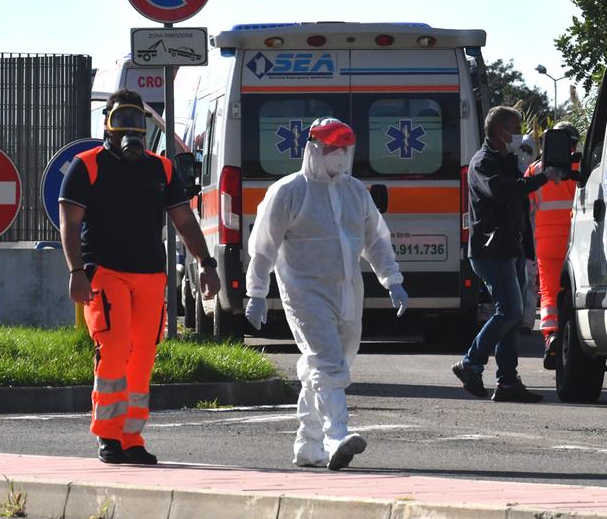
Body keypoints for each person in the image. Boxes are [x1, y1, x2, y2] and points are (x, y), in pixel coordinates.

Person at [59, 89, 221, 465]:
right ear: (107, 125)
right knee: (115, 349)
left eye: (136, 121)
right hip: (104, 272)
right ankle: (108, 435)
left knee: (143, 355)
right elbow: (70, 223)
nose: (130, 129)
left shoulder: (161, 168)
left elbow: (184, 220)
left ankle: (131, 437)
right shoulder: (87, 166)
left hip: (150, 275)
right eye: (122, 120)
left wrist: (207, 263)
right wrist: (76, 272)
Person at [244, 117, 408, 470]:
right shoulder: (289, 191)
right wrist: (256, 291)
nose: (340, 155)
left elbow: (376, 240)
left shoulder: (356, 192)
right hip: (304, 291)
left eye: (345, 148)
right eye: (333, 148)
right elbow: (264, 245)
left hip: (348, 290)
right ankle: (337, 436)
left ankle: (309, 445)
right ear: (314, 148)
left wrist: (392, 279)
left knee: (329, 365)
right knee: (327, 361)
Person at [451, 106, 566, 403]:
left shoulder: (506, 160)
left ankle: (507, 381)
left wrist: (525, 248)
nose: (519, 135)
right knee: (511, 310)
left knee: (512, 319)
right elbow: (504, 192)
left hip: (509, 248)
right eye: (515, 129)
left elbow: (519, 203)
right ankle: (470, 363)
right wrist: (542, 178)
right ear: (502, 132)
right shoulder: (483, 163)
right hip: (491, 251)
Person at [524, 122, 581, 369]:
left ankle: (551, 337)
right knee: (575, 289)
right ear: (573, 144)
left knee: (548, 292)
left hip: (545, 243)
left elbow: (525, 205)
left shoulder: (535, 169)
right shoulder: (581, 166)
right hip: (576, 240)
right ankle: (573, 336)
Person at [517, 135, 539, 335]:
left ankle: (526, 321)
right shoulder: (513, 173)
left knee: (530, 280)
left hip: (534, 233)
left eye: (528, 150)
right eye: (522, 149)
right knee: (520, 278)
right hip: (521, 233)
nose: (524, 154)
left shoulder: (534, 174)